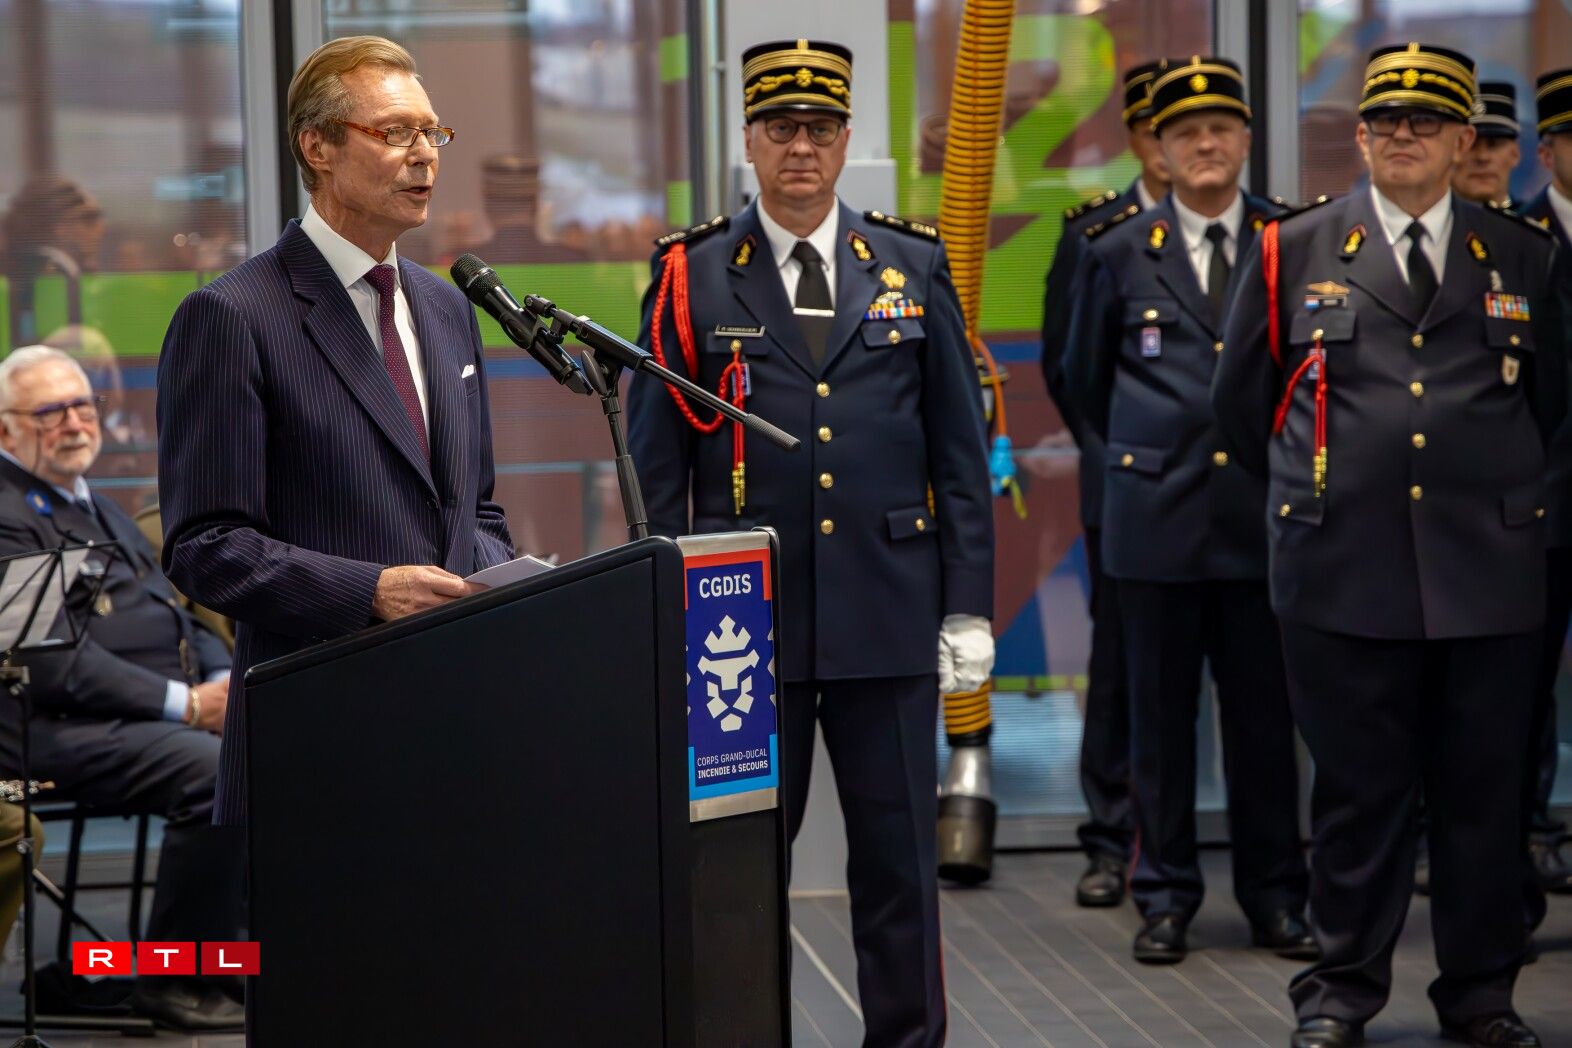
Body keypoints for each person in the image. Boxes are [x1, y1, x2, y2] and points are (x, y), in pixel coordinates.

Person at [625, 39, 994, 1048]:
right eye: (781, 128)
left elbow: (960, 455)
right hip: (738, 634)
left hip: (888, 612)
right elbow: (653, 468)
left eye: (820, 129)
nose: (801, 147)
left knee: (900, 866)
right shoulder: (692, 274)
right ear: (748, 139)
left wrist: (967, 606)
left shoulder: (912, 264)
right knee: (737, 875)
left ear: (845, 140)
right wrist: (662, 613)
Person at [1214, 43, 1567, 1048]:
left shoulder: (1525, 254)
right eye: (1385, 122)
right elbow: (1241, 407)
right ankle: (1338, 994)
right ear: (1360, 139)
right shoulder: (1293, 248)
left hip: (1487, 575)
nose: (1403, 135)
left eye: (1427, 121)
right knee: (1357, 798)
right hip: (1343, 571)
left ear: (1464, 141)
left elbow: (1555, 406)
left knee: (1482, 797)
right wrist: (1322, 498)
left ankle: (1481, 995)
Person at [156, 35, 515, 826]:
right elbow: (204, 545)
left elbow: (476, 507)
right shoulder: (232, 315)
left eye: (432, 132)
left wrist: (505, 588)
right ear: (317, 147)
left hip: (460, 720)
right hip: (321, 732)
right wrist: (371, 592)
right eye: (395, 133)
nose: (424, 155)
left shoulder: (448, 309)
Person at [1062, 56, 1313, 966]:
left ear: (1245, 140)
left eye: (1220, 128)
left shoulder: (1292, 241)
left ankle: (1276, 897)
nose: (1205, 144)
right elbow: (1081, 382)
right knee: (1159, 729)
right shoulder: (1115, 249)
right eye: (1185, 132)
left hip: (1260, 524)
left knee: (1263, 728)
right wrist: (1138, 465)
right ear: (1159, 150)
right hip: (1155, 524)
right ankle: (1164, 897)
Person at [0, 346, 244, 1031]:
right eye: (51, 412)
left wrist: (220, 679)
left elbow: (175, 615)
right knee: (219, 772)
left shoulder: (98, 505)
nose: (75, 422)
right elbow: (48, 663)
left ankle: (236, 963)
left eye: (83, 406)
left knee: (274, 748)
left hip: (131, 719)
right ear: (5, 429)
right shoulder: (7, 514)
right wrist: (188, 705)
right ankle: (178, 979)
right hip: (45, 729)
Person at [1040, 59, 1170, 910]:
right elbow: (1067, 367)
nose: (1175, 146)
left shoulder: (1261, 231)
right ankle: (1110, 837)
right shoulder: (1094, 233)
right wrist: (1119, 454)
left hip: (1226, 500)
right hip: (1125, 490)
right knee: (1119, 668)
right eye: (1159, 130)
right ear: (1135, 137)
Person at [1515, 67, 1572, 911]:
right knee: (1521, 699)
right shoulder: (1512, 242)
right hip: (1543, 504)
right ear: (1551, 149)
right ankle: (1520, 863)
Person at [1453, 82, 1522, 208]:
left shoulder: (1537, 220)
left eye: (1494, 144)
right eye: (1470, 144)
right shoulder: (1424, 220)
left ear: (1515, 153)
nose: (1482, 157)